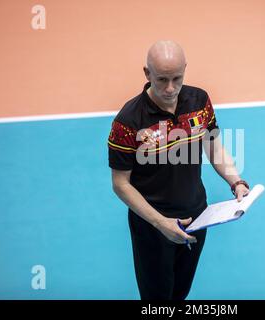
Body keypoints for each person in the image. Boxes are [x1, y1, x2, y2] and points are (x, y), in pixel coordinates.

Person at [107, 40, 249, 300]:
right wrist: (161, 224)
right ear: (147, 74)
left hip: (198, 217)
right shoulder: (128, 121)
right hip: (152, 226)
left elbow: (213, 144)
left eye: (177, 78)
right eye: (161, 79)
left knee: (180, 293)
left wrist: (236, 181)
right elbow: (120, 184)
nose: (170, 88)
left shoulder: (199, 100)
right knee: (157, 299)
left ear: (185, 69)